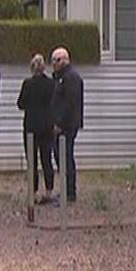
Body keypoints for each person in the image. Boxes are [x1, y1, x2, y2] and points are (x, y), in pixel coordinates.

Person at [16, 53, 56, 205]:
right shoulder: (51, 84)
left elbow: (20, 103)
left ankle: (33, 192)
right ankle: (49, 191)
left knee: (31, 160)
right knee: (47, 159)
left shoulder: (28, 84)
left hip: (31, 126)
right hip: (47, 125)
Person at [49, 46, 85, 204]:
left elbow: (69, 103)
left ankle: (69, 193)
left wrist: (60, 123)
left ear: (64, 60)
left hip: (67, 126)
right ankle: (65, 190)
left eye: (56, 61)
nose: (53, 64)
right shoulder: (61, 77)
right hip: (63, 124)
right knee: (61, 158)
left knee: (65, 158)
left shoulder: (70, 78)